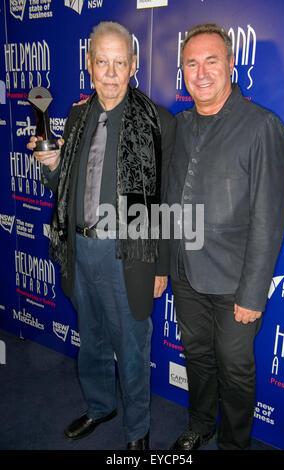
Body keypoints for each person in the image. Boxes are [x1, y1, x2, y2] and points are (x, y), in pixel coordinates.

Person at [27, 21, 175, 450]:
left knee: (131, 350)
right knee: (90, 341)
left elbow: (166, 200)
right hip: (80, 248)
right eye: (102, 62)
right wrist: (51, 166)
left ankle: (137, 433)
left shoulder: (157, 120)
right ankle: (99, 407)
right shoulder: (75, 117)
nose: (110, 73)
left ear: (133, 66)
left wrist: (161, 266)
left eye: (119, 63)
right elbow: (61, 187)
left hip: (128, 255)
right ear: (89, 65)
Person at [167, 23, 284, 450]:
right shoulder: (178, 125)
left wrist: (253, 293)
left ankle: (233, 444)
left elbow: (270, 218)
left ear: (231, 65)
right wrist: (166, 267)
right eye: (191, 63)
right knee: (196, 356)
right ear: (182, 70)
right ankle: (200, 424)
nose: (201, 72)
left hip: (236, 283)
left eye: (211, 61)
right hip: (185, 274)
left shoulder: (262, 126)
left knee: (235, 369)